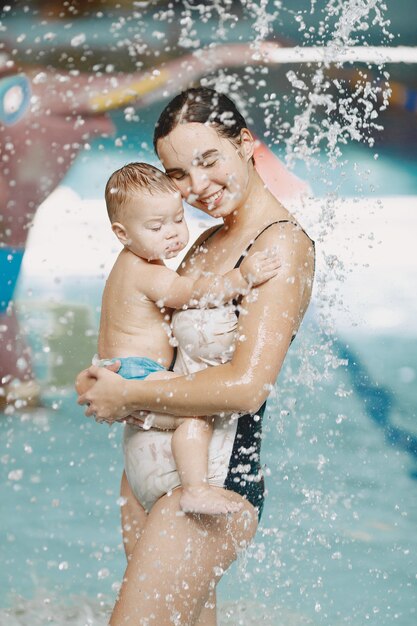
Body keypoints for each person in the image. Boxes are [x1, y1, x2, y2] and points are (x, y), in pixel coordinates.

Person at [76, 87, 315, 626]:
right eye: (178, 174)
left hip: (210, 479)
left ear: (245, 144)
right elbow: (159, 343)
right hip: (150, 468)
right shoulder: (203, 243)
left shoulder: (282, 246)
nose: (196, 187)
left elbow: (247, 387)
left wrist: (130, 393)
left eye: (209, 161)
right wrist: (108, 375)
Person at [97, 161, 280, 516]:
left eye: (178, 219)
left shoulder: (123, 269)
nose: (172, 233)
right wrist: (243, 277)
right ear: (121, 233)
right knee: (195, 415)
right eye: (156, 226)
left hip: (118, 369)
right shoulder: (146, 272)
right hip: (137, 373)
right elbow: (193, 293)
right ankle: (196, 489)